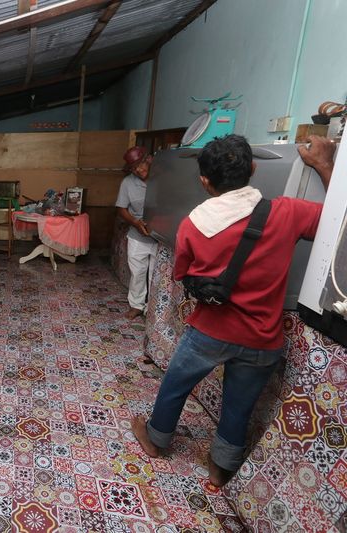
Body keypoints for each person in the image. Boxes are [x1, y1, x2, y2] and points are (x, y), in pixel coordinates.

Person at [132, 134, 332, 488]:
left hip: (209, 332)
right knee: (238, 406)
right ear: (253, 169)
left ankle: (157, 438)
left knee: (176, 384)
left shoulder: (194, 225)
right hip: (263, 336)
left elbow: (183, 274)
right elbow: (336, 219)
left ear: (204, 181)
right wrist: (325, 165)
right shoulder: (287, 212)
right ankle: (221, 467)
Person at [116, 145, 157, 319]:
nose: (139, 170)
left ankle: (154, 309)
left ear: (149, 159)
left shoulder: (164, 178)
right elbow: (122, 208)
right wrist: (135, 222)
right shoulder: (128, 183)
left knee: (156, 275)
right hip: (137, 236)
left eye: (140, 164)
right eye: (134, 168)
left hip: (161, 239)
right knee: (138, 273)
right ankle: (136, 305)